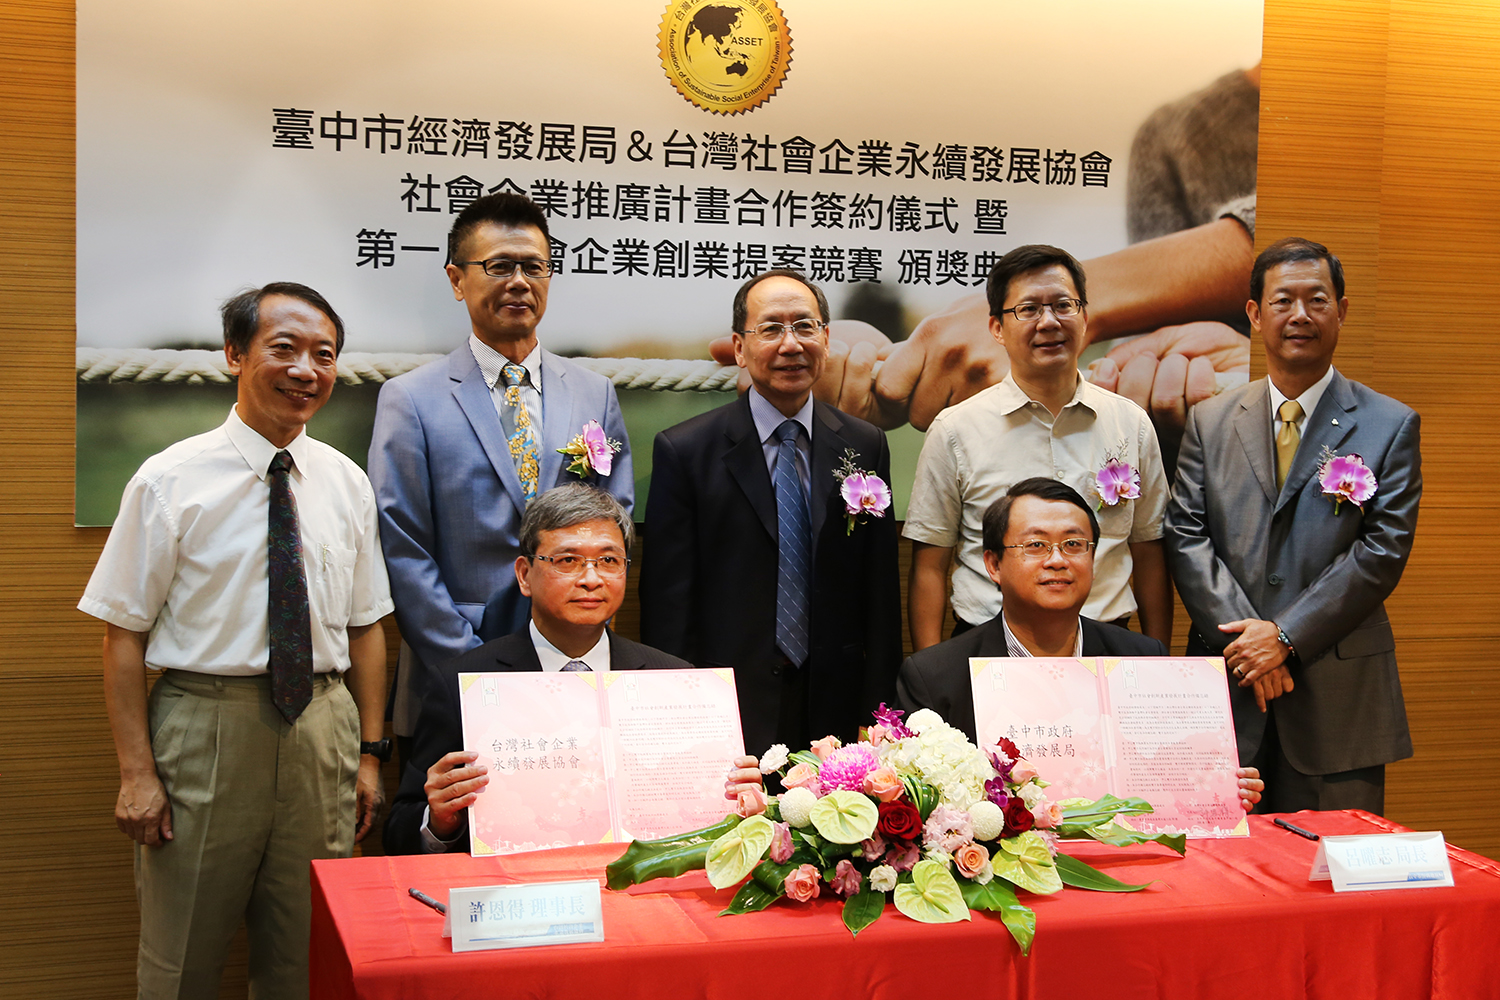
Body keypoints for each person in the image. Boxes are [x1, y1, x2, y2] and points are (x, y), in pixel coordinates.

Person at [79, 283, 393, 998]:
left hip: (324, 729)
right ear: (234, 354)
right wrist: (135, 774)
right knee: (181, 957)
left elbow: (368, 626)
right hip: (204, 726)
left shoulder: (346, 483)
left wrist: (370, 758)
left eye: (324, 354)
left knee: (306, 957)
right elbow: (122, 633)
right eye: (283, 349)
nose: (306, 370)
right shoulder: (168, 480)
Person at [724, 478, 1262, 811]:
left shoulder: (1141, 659)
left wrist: (1215, 788)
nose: (1058, 560)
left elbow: (1169, 777)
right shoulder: (935, 676)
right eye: (1035, 546)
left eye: (1075, 545)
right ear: (993, 565)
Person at [368, 192, 633, 758]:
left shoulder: (594, 392)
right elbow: (403, 548)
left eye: (533, 267)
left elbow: (615, 521)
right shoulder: (410, 399)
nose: (519, 281)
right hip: (454, 674)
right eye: (499, 266)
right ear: (456, 279)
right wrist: (475, 670)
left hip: (576, 672)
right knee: (450, 836)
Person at [1165, 237, 1422, 814]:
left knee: (1332, 874)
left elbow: (1381, 552)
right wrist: (1249, 645)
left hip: (1336, 694)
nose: (1300, 315)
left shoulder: (1389, 424)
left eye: (1317, 300)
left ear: (1342, 311)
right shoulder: (1210, 420)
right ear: (1255, 314)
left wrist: (1283, 637)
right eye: (1283, 301)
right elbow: (1185, 533)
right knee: (1219, 878)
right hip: (1228, 683)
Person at [640, 269, 902, 756]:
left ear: (825, 338)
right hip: (727, 703)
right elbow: (668, 605)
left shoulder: (865, 445)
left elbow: (880, 593)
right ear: (740, 347)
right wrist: (677, 706)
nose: (791, 344)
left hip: (837, 704)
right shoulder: (685, 450)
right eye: (771, 329)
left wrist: (880, 709)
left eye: (805, 327)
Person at [384, 485, 687, 855]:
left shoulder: (672, 681)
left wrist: (735, 802)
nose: (591, 579)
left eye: (608, 561)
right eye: (567, 560)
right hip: (515, 893)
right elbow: (400, 831)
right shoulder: (462, 684)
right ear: (525, 575)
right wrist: (440, 822)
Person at [903, 245, 1172, 653]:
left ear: (1085, 315)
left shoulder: (1130, 423)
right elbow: (929, 566)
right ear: (996, 327)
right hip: (988, 648)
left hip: (1109, 646)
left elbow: (1150, 552)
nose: (1048, 322)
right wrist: (931, 679)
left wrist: (1158, 663)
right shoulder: (955, 429)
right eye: (1028, 309)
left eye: (1063, 305)